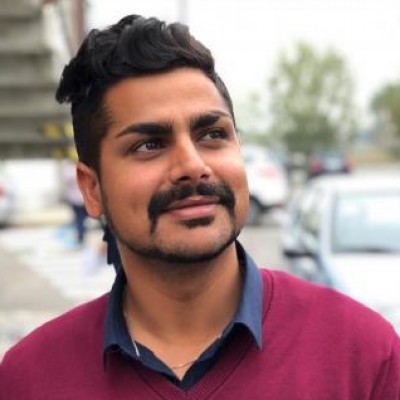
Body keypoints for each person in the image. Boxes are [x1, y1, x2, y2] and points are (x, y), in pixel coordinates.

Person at [0, 15, 399, 399]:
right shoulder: (28, 380)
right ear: (91, 189)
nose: (193, 165)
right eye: (149, 144)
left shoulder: (363, 354)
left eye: (212, 134)